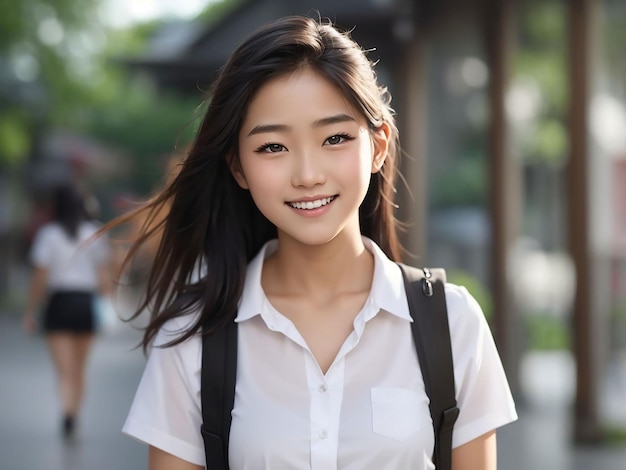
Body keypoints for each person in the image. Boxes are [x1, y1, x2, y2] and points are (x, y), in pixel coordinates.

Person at [117, 15, 517, 470]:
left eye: (335, 138)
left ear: (379, 145)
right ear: (238, 167)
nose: (308, 174)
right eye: (273, 147)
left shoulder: (451, 322)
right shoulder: (193, 336)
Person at [22, 183, 112, 439]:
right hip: (85, 303)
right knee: (80, 368)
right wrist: (106, 306)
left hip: (59, 304)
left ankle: (67, 410)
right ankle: (74, 412)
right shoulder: (95, 233)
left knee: (64, 369)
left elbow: (40, 276)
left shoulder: (48, 235)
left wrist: (30, 310)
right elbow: (104, 277)